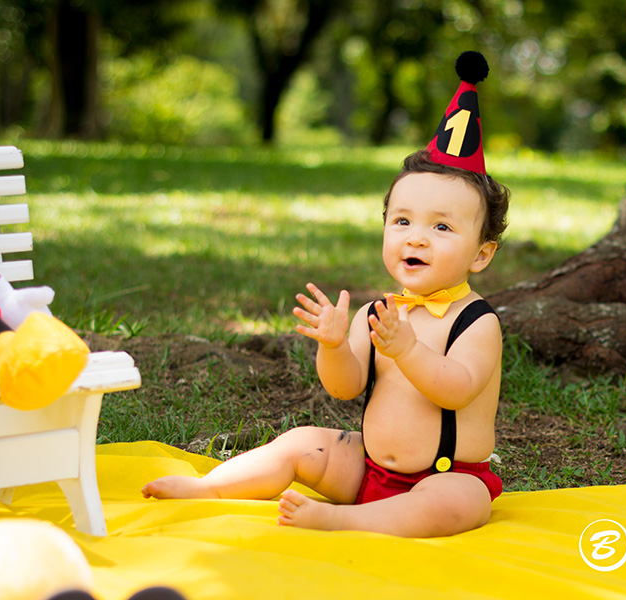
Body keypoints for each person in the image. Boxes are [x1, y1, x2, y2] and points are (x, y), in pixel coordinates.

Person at [142, 51, 510, 538]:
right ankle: (211, 486)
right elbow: (345, 386)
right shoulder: (380, 310)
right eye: (402, 221)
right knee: (302, 442)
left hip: (447, 476)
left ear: (481, 255)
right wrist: (334, 345)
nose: (416, 238)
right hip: (369, 468)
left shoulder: (476, 321)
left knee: (459, 505)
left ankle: (345, 520)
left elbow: (457, 387)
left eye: (441, 226)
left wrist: (406, 349)